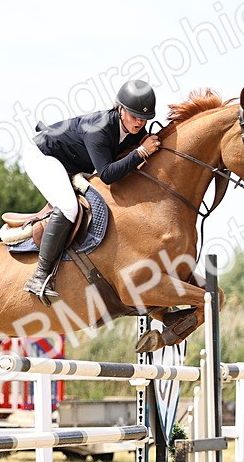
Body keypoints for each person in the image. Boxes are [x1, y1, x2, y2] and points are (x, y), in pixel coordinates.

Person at [19, 79, 161, 303]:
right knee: (69, 207)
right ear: (120, 109)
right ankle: (39, 277)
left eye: (144, 118)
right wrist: (141, 152)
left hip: (69, 163)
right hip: (42, 155)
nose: (139, 122)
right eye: (134, 116)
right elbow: (106, 174)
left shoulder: (134, 131)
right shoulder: (100, 128)